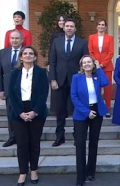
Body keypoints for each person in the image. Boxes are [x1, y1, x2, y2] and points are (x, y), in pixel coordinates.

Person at [8, 46, 49, 186]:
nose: (28, 55)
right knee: (22, 144)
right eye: (25, 53)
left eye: (31, 53)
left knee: (34, 143)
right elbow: (11, 95)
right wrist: (20, 112)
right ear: (20, 57)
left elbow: (44, 93)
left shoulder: (41, 72)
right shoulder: (14, 73)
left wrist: (34, 112)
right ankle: (22, 172)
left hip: (36, 111)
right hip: (18, 112)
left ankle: (34, 170)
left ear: (35, 57)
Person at [49, 18, 89, 147]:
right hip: (59, 81)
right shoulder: (56, 42)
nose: (69, 28)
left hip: (76, 80)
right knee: (60, 110)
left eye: (72, 26)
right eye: (67, 26)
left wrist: (84, 80)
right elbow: (53, 62)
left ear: (75, 28)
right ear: (63, 28)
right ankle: (59, 136)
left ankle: (77, 135)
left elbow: (85, 62)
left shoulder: (82, 43)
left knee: (77, 109)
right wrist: (52, 79)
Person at [71, 55, 109, 186]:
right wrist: (86, 112)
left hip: (97, 111)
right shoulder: (76, 78)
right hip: (82, 113)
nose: (87, 64)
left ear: (93, 65)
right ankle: (80, 177)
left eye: (89, 62)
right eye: (84, 63)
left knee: (94, 143)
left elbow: (105, 83)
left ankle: (90, 172)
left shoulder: (97, 77)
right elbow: (74, 97)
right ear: (81, 66)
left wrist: (99, 68)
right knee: (80, 145)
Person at [0, 30, 23, 147]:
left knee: (22, 113)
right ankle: (12, 136)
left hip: (23, 89)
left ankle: (23, 136)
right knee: (10, 114)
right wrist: (0, 89)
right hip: (8, 89)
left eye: (17, 38)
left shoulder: (27, 51)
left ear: (21, 40)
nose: (14, 40)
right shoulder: (3, 52)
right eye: (12, 38)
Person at [88, 19, 114, 117]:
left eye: (103, 24)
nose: (101, 26)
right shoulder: (91, 37)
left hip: (106, 67)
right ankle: (96, 108)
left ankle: (107, 109)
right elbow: (90, 51)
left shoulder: (110, 38)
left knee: (107, 88)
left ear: (105, 27)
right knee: (95, 87)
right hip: (94, 66)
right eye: (99, 24)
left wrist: (103, 64)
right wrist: (95, 63)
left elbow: (111, 52)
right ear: (96, 26)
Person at [48, 14, 65, 120]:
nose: (61, 22)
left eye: (63, 20)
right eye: (59, 21)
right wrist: (50, 63)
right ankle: (55, 109)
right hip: (57, 64)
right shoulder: (54, 35)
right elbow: (51, 50)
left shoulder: (69, 33)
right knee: (55, 87)